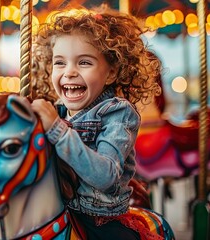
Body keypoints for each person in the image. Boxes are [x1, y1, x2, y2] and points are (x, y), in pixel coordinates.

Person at [30, 4, 162, 240]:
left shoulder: (117, 113)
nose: (69, 72)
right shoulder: (56, 113)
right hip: (56, 212)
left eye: (84, 62)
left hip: (99, 217)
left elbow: (106, 175)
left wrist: (58, 132)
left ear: (111, 73)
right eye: (60, 62)